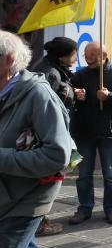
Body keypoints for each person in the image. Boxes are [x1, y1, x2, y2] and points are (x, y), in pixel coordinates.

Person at [0, 31, 72, 248]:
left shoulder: (38, 95)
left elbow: (58, 155)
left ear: (8, 60)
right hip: (6, 195)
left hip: (27, 198)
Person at [69, 43, 112, 226]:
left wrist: (110, 96)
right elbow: (67, 93)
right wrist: (76, 94)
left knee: (110, 174)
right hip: (84, 131)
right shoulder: (80, 75)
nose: (87, 57)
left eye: (91, 54)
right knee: (83, 174)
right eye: (85, 54)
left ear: (104, 55)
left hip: (109, 131)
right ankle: (84, 208)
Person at [29, 37, 78, 237]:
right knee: (49, 178)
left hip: (55, 134)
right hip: (49, 137)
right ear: (63, 56)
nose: (76, 57)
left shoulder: (54, 69)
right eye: (74, 54)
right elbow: (44, 106)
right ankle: (38, 221)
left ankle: (39, 218)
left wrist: (73, 94)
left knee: (64, 169)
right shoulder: (50, 73)